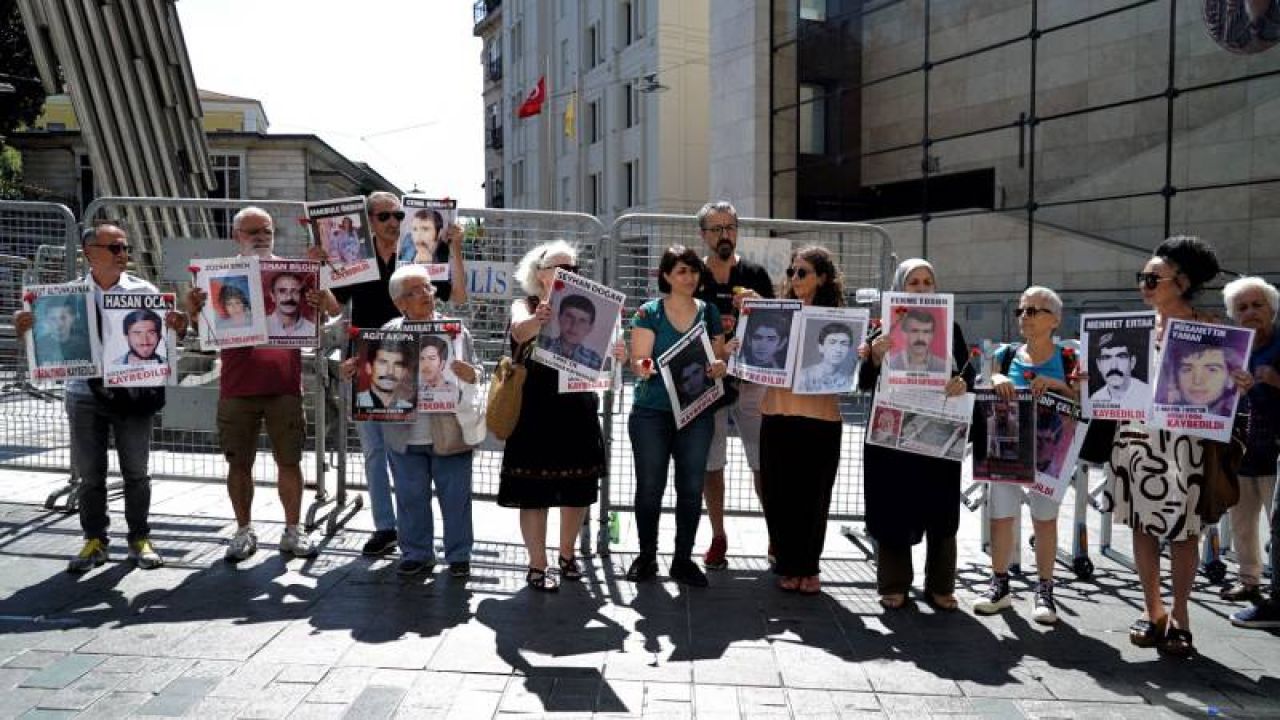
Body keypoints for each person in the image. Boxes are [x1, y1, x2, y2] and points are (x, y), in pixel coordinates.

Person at [14, 223, 187, 572]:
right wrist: (28, 328)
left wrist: (177, 326)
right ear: (90, 252)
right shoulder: (64, 297)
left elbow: (167, 340)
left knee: (136, 471)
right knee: (90, 475)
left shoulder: (144, 291)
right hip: (83, 394)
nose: (123, 255)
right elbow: (48, 343)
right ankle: (94, 540)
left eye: (125, 248)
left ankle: (140, 539)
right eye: (115, 248)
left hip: (132, 394)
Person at [1109, 236, 1252, 657]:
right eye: (1142, 277)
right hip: (1135, 439)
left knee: (1185, 530)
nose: (1145, 284)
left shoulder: (1211, 330)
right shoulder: (1132, 331)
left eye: (1153, 277)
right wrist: (1091, 383)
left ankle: (1181, 615)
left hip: (1188, 443)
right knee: (1140, 523)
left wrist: (1239, 384)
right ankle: (1152, 609)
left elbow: (1223, 394)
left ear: (1183, 282)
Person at [187, 207, 335, 563]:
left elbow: (328, 311)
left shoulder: (295, 272)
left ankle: (292, 530)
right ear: (236, 235)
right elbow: (201, 332)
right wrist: (193, 309)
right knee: (239, 464)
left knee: (290, 461)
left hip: (284, 384)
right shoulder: (218, 275)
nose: (260, 236)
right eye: (252, 230)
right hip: (237, 386)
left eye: (266, 230)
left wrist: (322, 288)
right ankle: (242, 530)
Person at [325, 191, 468, 557]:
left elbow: (458, 299)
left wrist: (455, 249)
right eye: (384, 216)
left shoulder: (419, 255)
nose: (393, 221)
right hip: (373, 366)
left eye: (398, 215)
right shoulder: (354, 257)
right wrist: (321, 269)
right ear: (369, 220)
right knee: (376, 451)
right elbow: (332, 306)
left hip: (424, 360)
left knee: (414, 454)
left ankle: (420, 540)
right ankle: (386, 527)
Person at [342, 265, 480, 577]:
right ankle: (417, 552)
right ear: (399, 303)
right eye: (414, 291)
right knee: (409, 497)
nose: (426, 295)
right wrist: (353, 373)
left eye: (428, 287)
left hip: (450, 432)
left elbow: (478, 372)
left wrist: (471, 374)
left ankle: (459, 556)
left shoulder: (455, 331)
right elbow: (373, 380)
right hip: (402, 434)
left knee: (456, 497)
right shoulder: (386, 334)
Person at [498, 240, 620, 591]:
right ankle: (538, 563)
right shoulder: (526, 305)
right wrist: (541, 317)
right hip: (534, 411)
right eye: (560, 268)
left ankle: (568, 555)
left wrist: (618, 352)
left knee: (577, 488)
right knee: (534, 491)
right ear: (540, 274)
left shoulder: (593, 307)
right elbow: (520, 331)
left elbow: (607, 355)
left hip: (577, 408)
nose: (570, 274)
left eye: (574, 269)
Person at [858, 258, 974, 611]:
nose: (921, 288)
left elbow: (968, 373)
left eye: (927, 282)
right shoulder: (881, 329)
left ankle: (940, 585)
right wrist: (875, 359)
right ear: (899, 288)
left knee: (940, 507)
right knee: (892, 505)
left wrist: (960, 384)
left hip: (937, 431)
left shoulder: (950, 327)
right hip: (891, 437)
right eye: (913, 283)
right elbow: (863, 385)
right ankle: (893, 584)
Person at [973, 286, 1079, 625]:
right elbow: (985, 382)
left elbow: (1086, 404)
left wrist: (1060, 386)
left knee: (1044, 519)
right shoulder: (1005, 354)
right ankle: (1000, 584)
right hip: (1007, 449)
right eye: (1022, 310)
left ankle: (1045, 589)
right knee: (1001, 516)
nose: (1025, 317)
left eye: (1034, 311)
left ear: (1055, 320)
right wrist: (996, 378)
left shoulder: (1069, 359)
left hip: (1050, 453)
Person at [628, 245, 727, 587]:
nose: (689, 277)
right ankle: (646, 557)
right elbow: (638, 359)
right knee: (650, 487)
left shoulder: (709, 311)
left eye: (694, 270)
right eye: (682, 271)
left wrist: (719, 367)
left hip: (696, 412)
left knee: (690, 488)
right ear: (666, 275)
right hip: (651, 413)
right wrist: (644, 366)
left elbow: (718, 358)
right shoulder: (649, 312)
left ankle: (683, 560)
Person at [760, 246, 847, 594]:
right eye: (791, 273)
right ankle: (787, 563)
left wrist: (860, 355)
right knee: (779, 494)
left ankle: (808, 566)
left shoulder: (838, 320)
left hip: (821, 419)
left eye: (802, 272)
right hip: (778, 413)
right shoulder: (776, 315)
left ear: (822, 278)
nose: (794, 279)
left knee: (814, 497)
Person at [694, 200, 775, 571]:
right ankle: (718, 536)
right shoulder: (692, 275)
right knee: (713, 463)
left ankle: (776, 537)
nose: (724, 235)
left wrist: (760, 306)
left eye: (729, 227)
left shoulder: (756, 273)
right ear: (703, 235)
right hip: (709, 382)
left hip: (752, 380)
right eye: (716, 228)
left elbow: (779, 325)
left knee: (763, 461)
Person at [1219, 277, 1280, 609]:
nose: (1250, 312)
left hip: (1276, 452)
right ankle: (1249, 582)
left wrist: (1276, 381)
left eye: (1258, 305)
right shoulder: (1231, 350)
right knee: (1242, 522)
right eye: (1242, 308)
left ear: (1272, 309)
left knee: (1278, 526)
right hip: (1240, 450)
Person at [1156, 341, 1244, 417]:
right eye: (1187, 370)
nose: (1197, 381)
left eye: (1212, 370)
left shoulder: (1238, 418)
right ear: (1176, 378)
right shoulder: (1158, 415)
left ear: (1230, 378)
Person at [543, 294, 605, 370]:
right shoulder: (541, 343)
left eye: (582, 321)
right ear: (559, 317)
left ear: (590, 328)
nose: (574, 326)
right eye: (569, 316)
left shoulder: (596, 361)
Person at [1089, 331, 1150, 404]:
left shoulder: (1148, 396)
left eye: (1121, 357)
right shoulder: (1095, 398)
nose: (1114, 366)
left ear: (1132, 362)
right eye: (1107, 357)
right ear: (1099, 364)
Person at [354, 341, 416, 411]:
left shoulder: (409, 409)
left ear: (404, 372)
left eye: (397, 364)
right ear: (369, 368)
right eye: (383, 362)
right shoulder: (356, 402)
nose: (390, 372)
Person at [795, 323, 855, 393]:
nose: (838, 349)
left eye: (844, 344)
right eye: (832, 343)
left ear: (849, 349)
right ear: (821, 347)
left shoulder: (849, 381)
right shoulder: (804, 376)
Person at [34, 298, 91, 364]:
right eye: (53, 319)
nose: (59, 324)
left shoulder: (85, 344)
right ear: (46, 320)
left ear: (73, 318)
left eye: (63, 317)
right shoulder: (39, 346)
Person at [266, 272, 316, 337]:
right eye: (282, 291)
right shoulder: (261, 327)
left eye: (295, 291)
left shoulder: (313, 330)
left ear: (302, 296)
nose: (289, 297)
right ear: (272, 296)